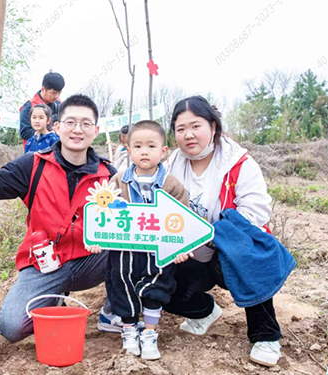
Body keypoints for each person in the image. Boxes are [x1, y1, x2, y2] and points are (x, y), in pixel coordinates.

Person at [0, 94, 125, 342]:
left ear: (95, 131)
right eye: (70, 122)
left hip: (92, 260)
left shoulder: (109, 175)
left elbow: (130, 221)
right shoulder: (34, 165)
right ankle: (51, 299)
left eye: (85, 124)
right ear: (57, 127)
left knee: (131, 249)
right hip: (45, 263)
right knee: (11, 327)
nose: (77, 130)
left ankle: (114, 309)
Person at [162, 96, 285, 367]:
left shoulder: (238, 163)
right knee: (162, 285)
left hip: (229, 247)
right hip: (190, 251)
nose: (188, 135)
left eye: (196, 126)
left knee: (247, 259)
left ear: (213, 127)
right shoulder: (170, 165)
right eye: (180, 129)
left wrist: (211, 233)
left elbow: (256, 212)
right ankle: (204, 311)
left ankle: (265, 335)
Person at [86, 121, 190, 360]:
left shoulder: (171, 184)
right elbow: (102, 214)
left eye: (151, 146)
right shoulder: (118, 181)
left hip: (157, 253)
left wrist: (181, 248)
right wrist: (95, 238)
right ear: (128, 150)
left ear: (163, 151)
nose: (145, 151)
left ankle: (150, 335)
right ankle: (129, 332)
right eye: (138, 146)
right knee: (122, 290)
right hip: (123, 253)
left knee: (156, 289)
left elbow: (183, 220)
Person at [19, 72, 65, 144]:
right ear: (43, 89)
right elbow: (24, 133)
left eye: (59, 93)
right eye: (53, 93)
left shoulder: (60, 105)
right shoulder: (29, 106)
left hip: (56, 151)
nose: (56, 96)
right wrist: (48, 133)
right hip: (35, 151)